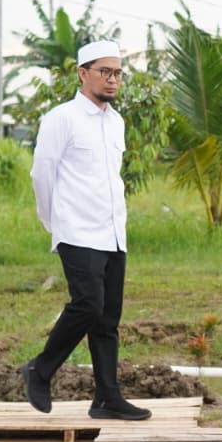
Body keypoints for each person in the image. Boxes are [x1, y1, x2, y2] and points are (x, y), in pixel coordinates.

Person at [23, 40, 150, 421]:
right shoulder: (61, 118)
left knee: (107, 317)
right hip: (76, 229)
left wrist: (119, 226)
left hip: (113, 231)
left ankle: (107, 398)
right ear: (83, 73)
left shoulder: (117, 122)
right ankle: (40, 369)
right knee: (87, 304)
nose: (113, 80)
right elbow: (41, 174)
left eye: (117, 73)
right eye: (105, 72)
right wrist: (53, 222)